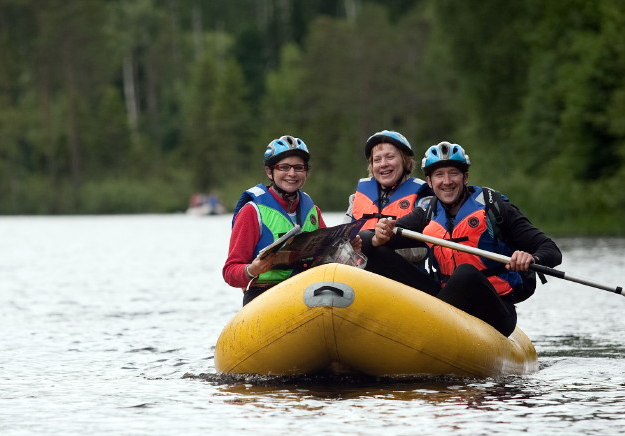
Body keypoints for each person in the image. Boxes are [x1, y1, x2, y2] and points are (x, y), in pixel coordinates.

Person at [362, 141, 562, 336]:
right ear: (430, 182)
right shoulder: (427, 213)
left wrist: (531, 259)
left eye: (454, 173)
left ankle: (426, 330)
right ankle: (378, 319)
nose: (447, 181)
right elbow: (383, 238)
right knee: (367, 243)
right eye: (439, 175)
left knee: (465, 274)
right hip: (445, 303)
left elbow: (550, 250)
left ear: (465, 177)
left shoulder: (494, 207)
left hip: (495, 309)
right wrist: (379, 236)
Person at [223, 135, 327, 305]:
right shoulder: (252, 211)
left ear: (306, 171)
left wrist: (348, 246)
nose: (292, 174)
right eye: (284, 167)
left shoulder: (312, 210)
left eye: (299, 168)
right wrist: (252, 270)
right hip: (265, 294)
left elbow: (326, 254)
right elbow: (229, 272)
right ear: (269, 172)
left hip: (305, 292)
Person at [344, 130, 431, 266]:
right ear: (372, 166)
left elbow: (423, 249)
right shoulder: (355, 199)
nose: (383, 164)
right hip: (363, 274)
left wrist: (377, 244)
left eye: (390, 157)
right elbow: (341, 243)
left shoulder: (423, 198)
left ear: (405, 161)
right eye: (377, 160)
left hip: (403, 276)